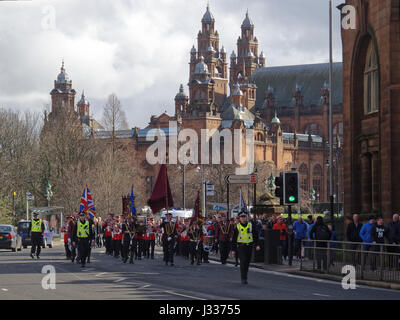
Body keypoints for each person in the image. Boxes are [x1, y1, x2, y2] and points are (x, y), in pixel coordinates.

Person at [231, 212, 261, 284]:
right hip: (241, 246)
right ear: (239, 218)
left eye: (244, 217)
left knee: (247, 262)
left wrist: (257, 245)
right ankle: (243, 278)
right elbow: (234, 239)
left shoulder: (251, 225)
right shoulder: (237, 227)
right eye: (241, 217)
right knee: (243, 261)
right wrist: (233, 249)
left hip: (249, 246)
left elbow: (256, 236)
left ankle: (245, 276)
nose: (243, 218)